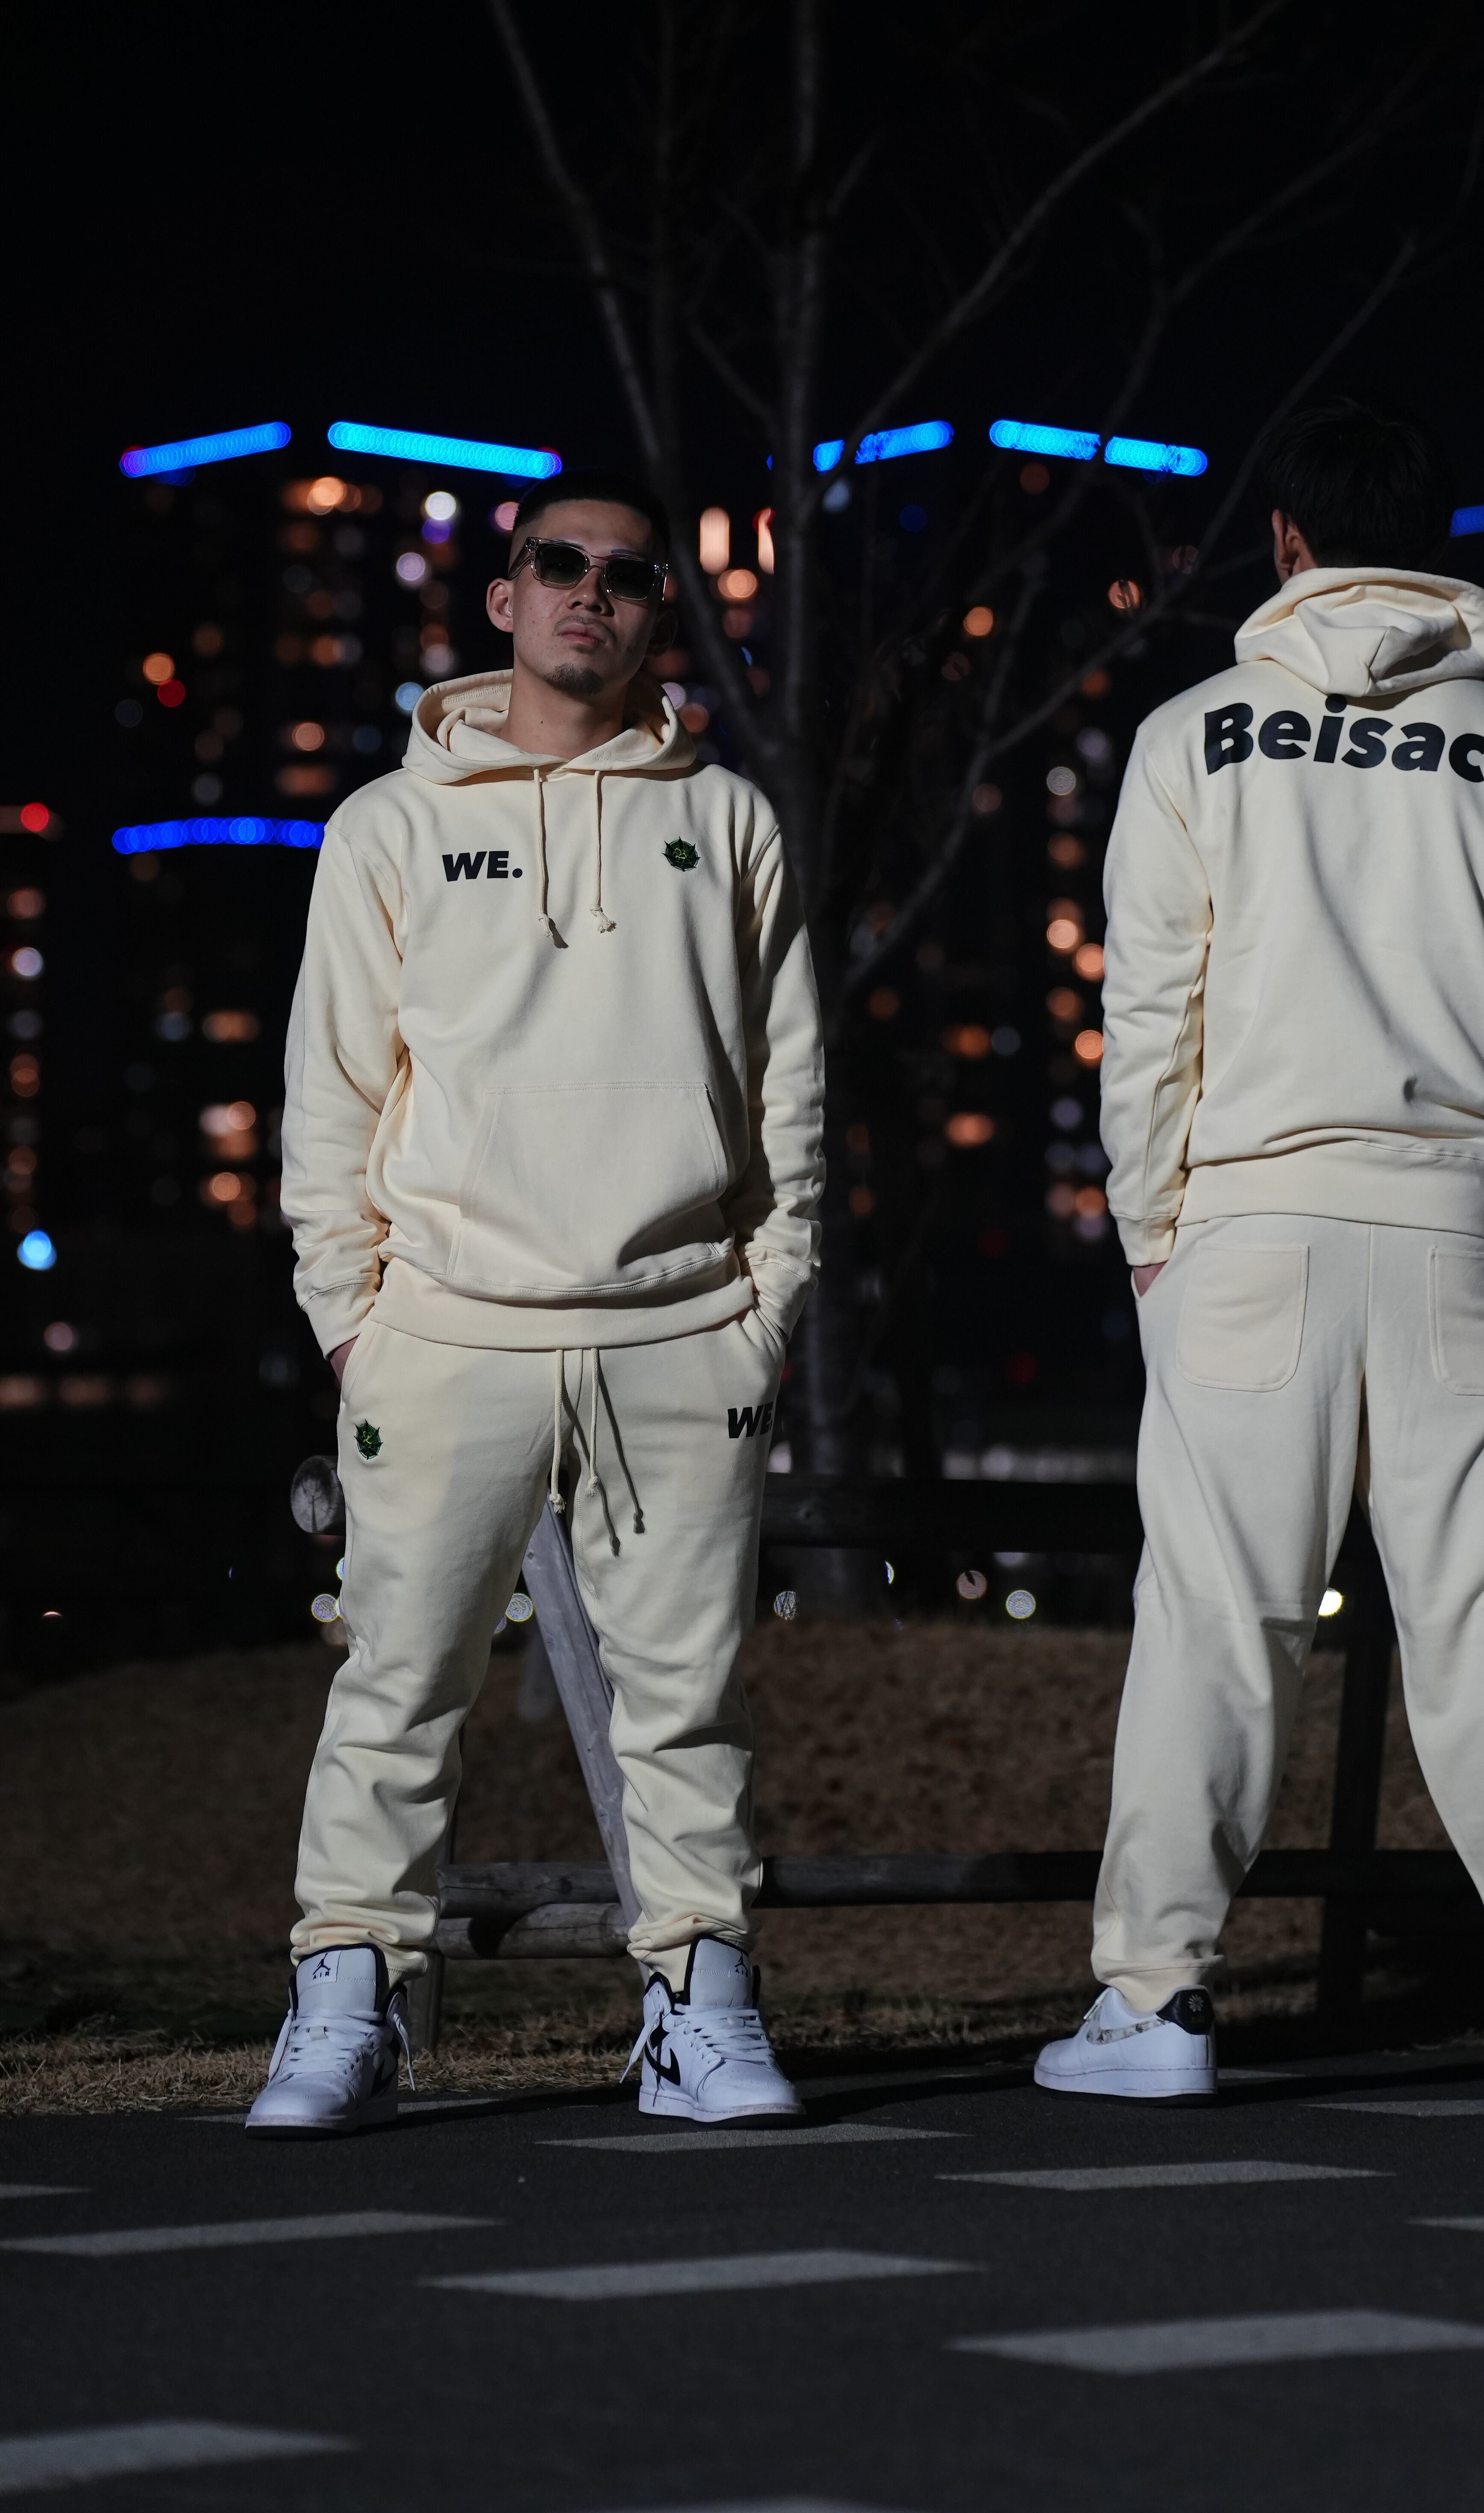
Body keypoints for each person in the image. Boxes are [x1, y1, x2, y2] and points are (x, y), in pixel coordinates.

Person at [1036, 398, 1484, 2112]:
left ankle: (1157, 2004)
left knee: (1216, 1626)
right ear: (1439, 549)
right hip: (1464, 1232)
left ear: (1286, 543)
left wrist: (1153, 1233)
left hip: (1248, 1228)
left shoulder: (1195, 736)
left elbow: (1148, 1013)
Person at [249, 470, 823, 2137]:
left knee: (688, 1703)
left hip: (680, 1326)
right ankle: (345, 1998)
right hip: (444, 1329)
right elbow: (332, 1096)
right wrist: (354, 1318)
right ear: (502, 598)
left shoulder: (728, 821)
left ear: (660, 611)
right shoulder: (388, 825)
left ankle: (700, 2004)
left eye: (627, 575)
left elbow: (788, 1088)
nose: (592, 592)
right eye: (558, 564)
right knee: (395, 1684)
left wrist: (765, 1303)